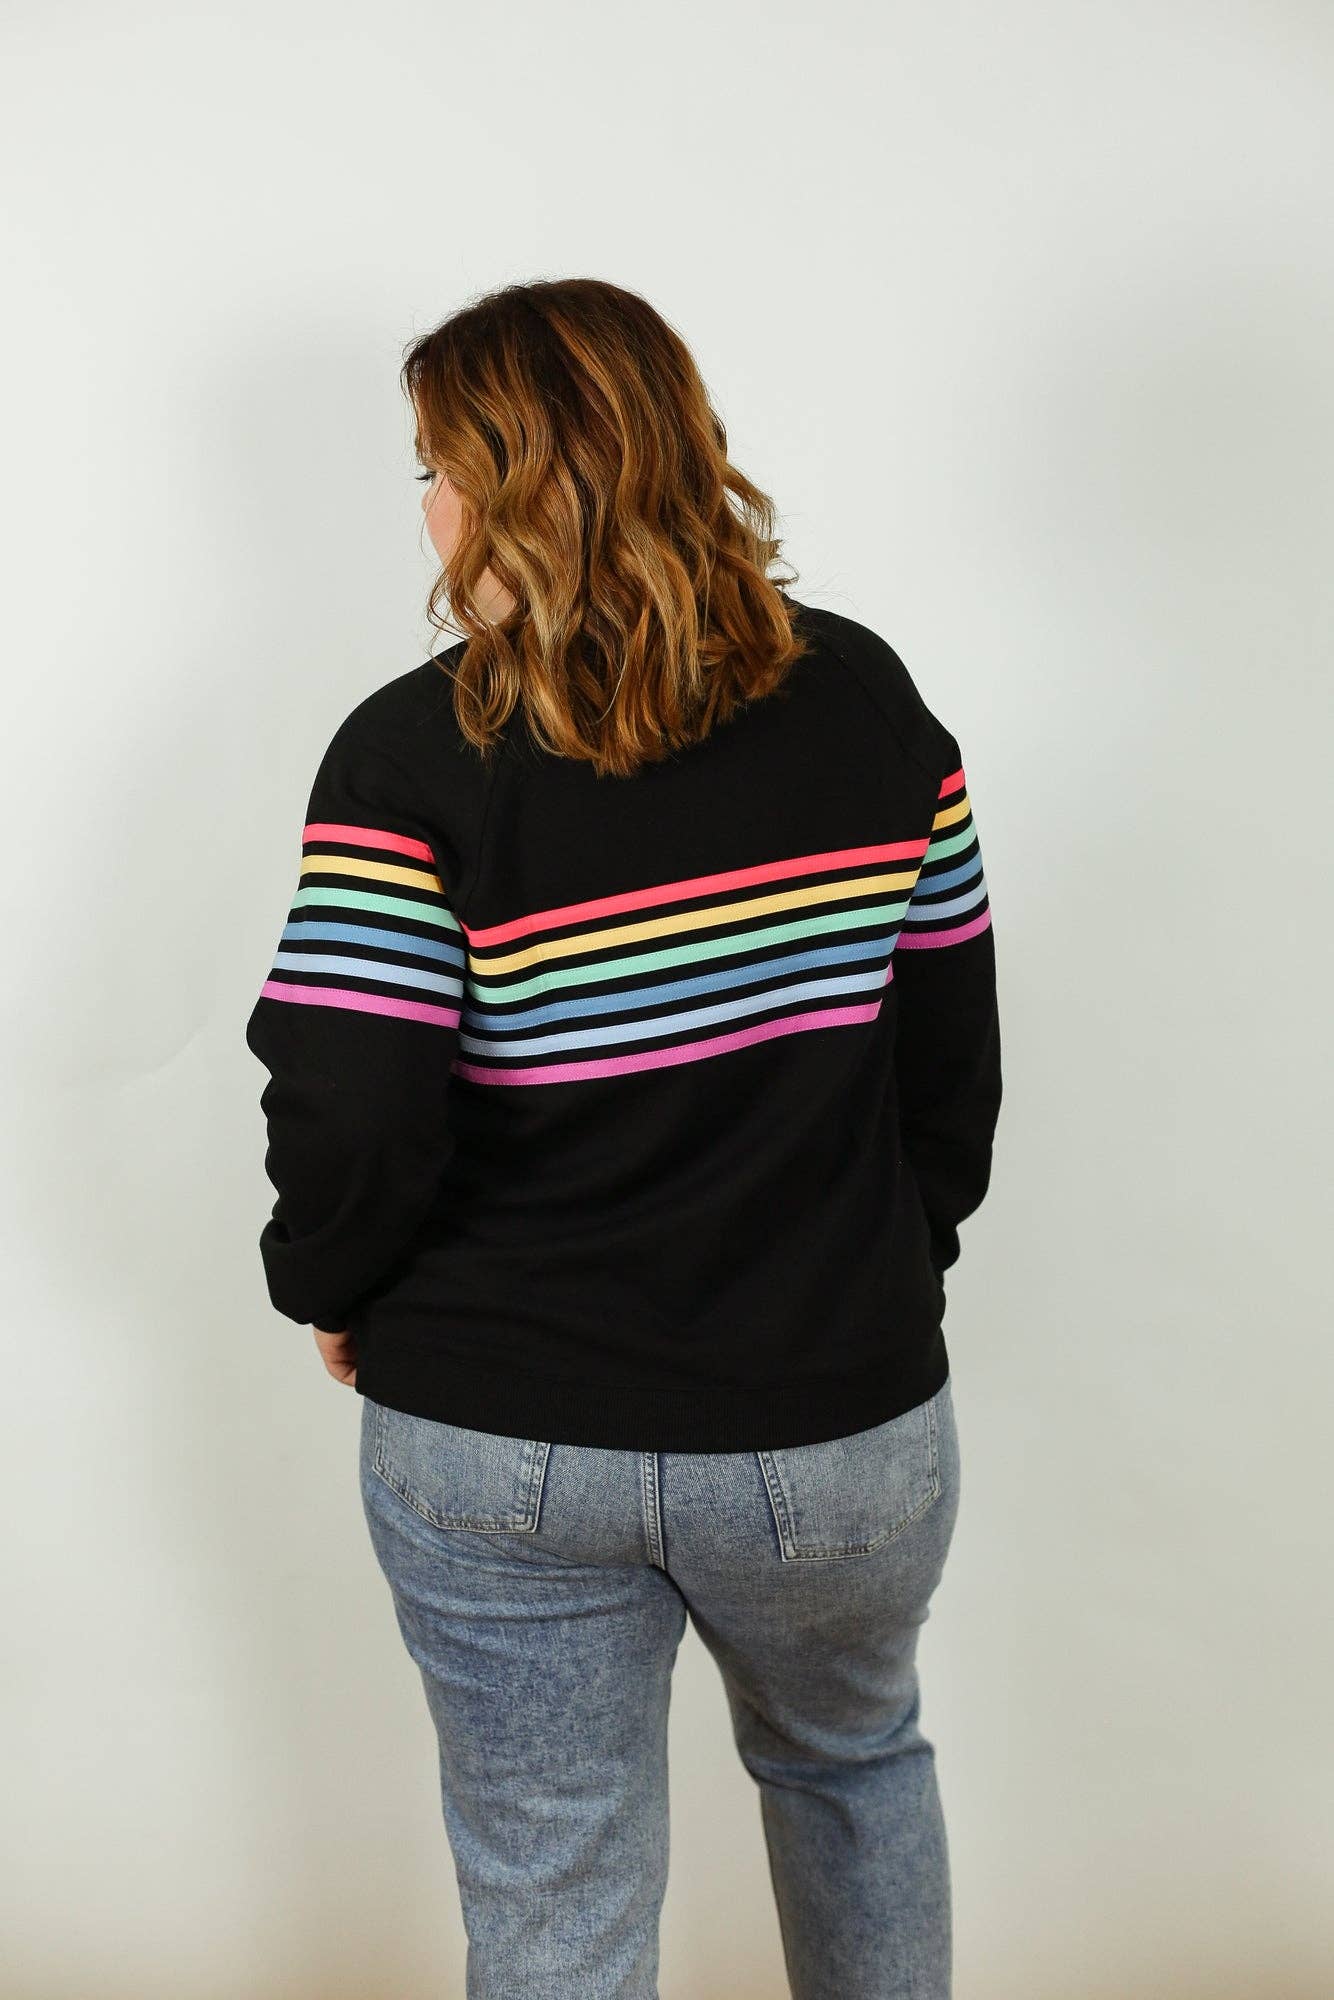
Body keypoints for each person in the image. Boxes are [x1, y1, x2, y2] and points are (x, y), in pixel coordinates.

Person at [245, 276, 1002, 2000]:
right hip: (838, 1413)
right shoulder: (866, 700)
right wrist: (883, 1271)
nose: (428, 513)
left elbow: (352, 1096)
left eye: (437, 471)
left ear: (511, 491)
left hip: (501, 1427)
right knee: (853, 1768)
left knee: (553, 1880)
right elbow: (946, 1051)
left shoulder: (408, 755)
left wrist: (334, 1283)